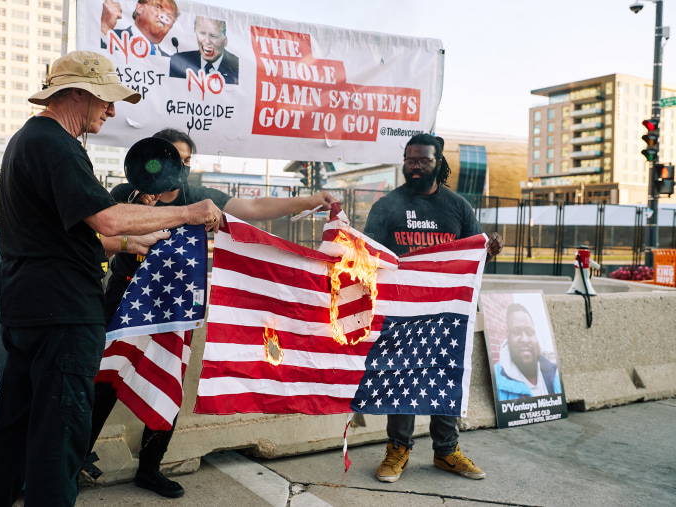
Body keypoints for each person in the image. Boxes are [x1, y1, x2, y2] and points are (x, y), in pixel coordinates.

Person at [0, 50, 223, 507]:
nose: (112, 110)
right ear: (78, 93)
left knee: (13, 433)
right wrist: (190, 211)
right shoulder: (55, 144)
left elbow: (65, 234)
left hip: (30, 311)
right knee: (59, 442)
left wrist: (132, 244)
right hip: (64, 317)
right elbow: (107, 219)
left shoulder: (28, 141)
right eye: (106, 99)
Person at [86, 128, 337, 498]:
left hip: (175, 309)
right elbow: (97, 241)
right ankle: (74, 456)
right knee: (104, 382)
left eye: (187, 160)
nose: (180, 166)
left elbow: (251, 210)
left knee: (168, 385)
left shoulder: (198, 197)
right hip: (124, 304)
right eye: (173, 157)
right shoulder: (125, 194)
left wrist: (309, 200)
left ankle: (150, 468)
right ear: (153, 156)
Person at [363, 133, 503, 483]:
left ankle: (446, 451)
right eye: (410, 159)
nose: (415, 166)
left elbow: (474, 252)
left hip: (446, 314)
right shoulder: (387, 206)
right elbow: (369, 255)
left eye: (423, 160)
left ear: (438, 163)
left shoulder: (457, 206)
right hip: (401, 314)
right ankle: (397, 450)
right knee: (402, 380)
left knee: (445, 375)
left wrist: (489, 248)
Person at [494, 303, 561, 401]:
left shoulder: (553, 374)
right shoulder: (496, 379)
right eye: (516, 332)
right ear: (507, 335)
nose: (525, 339)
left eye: (529, 332)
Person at [169, 16, 239, 84]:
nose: (207, 41)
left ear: (225, 41)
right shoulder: (179, 61)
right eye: (202, 33)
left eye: (213, 36)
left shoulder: (237, 67)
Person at [102, 0, 179, 56]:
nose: (163, 16)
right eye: (157, 7)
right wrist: (105, 27)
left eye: (170, 16)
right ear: (140, 8)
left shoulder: (169, 62)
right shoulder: (110, 38)